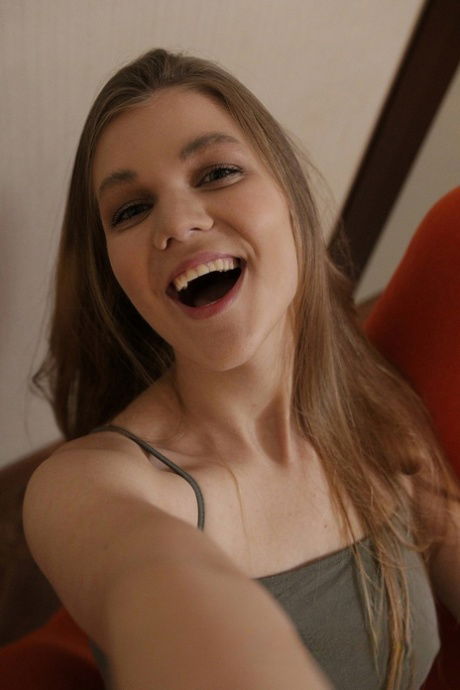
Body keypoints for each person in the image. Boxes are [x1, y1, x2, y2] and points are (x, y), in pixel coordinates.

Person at [23, 48, 459, 690]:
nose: (177, 224)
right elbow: (152, 583)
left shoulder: (375, 402)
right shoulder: (88, 487)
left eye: (218, 172)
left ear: (291, 199)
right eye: (130, 210)